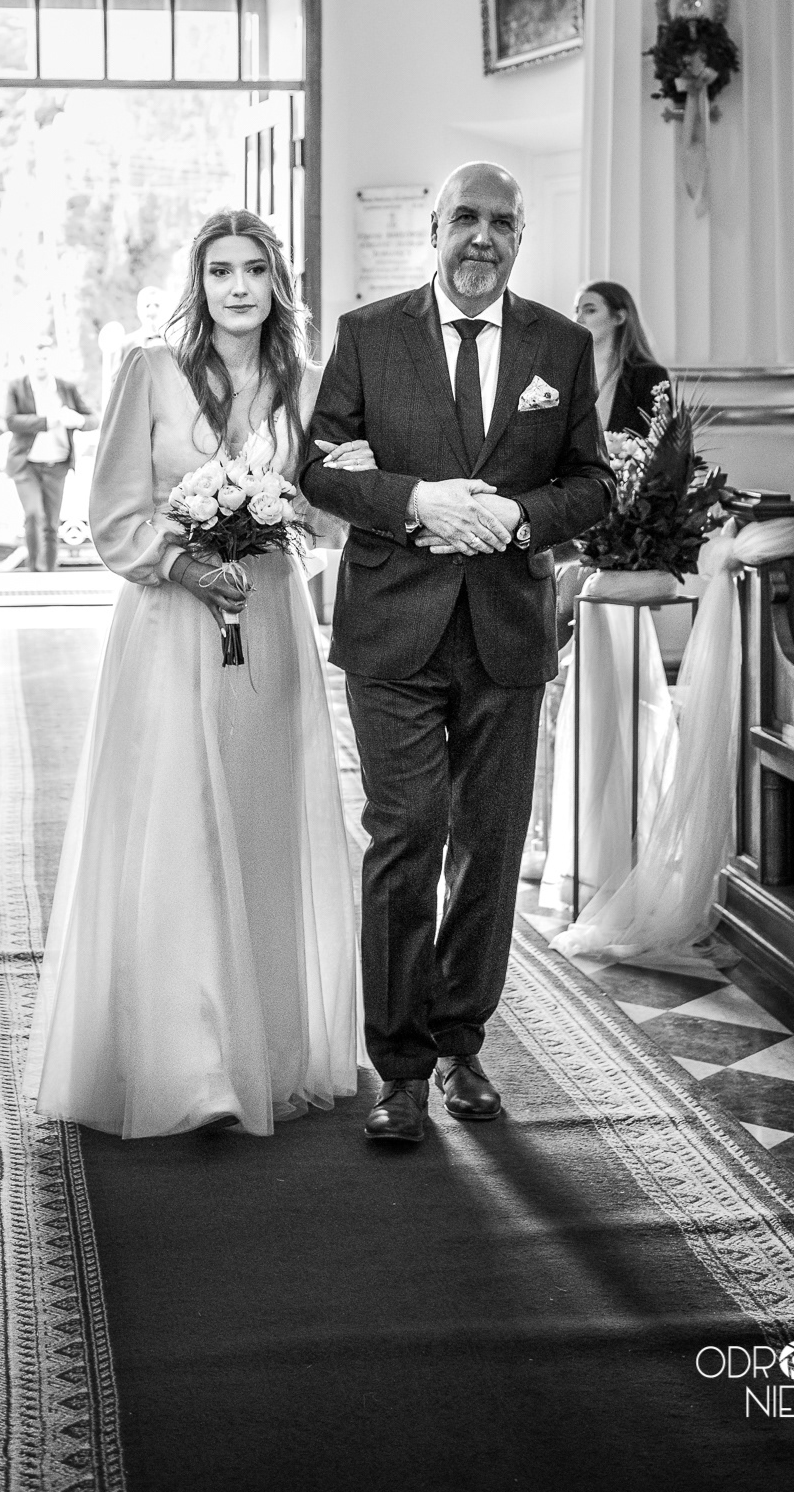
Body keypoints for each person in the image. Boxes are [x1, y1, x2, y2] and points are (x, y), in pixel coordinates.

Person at [25, 210, 369, 1139]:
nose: (237, 287)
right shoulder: (150, 369)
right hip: (169, 623)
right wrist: (182, 565)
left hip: (269, 617)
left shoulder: (306, 384)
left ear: (277, 283)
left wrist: (303, 508)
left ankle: (263, 1044)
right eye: (220, 271)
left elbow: (328, 514)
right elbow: (112, 510)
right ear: (199, 282)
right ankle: (180, 1054)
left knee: (259, 814)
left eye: (254, 269)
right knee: (175, 819)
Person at [302, 162, 615, 1146]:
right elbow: (317, 468)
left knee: (489, 843)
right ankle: (398, 1068)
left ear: (521, 237)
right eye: (466, 218)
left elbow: (592, 483)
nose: (483, 236)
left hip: (506, 630)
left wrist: (515, 517)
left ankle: (459, 1041)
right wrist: (416, 502)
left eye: (503, 222)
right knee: (407, 833)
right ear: (433, 228)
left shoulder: (558, 345)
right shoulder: (367, 334)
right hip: (393, 626)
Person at [4, 342, 99, 572]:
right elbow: (11, 421)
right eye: (36, 359)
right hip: (26, 464)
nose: (41, 364)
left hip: (57, 464)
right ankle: (35, 572)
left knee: (51, 524)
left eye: (45, 359)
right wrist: (47, 422)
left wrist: (78, 420)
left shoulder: (66, 388)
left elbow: (92, 419)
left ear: (52, 361)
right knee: (33, 514)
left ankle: (48, 573)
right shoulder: (17, 387)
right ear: (27, 362)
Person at [573, 282, 669, 437]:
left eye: (590, 310)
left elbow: (658, 440)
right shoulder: (568, 371)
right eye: (576, 310)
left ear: (619, 317)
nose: (578, 319)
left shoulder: (649, 375)